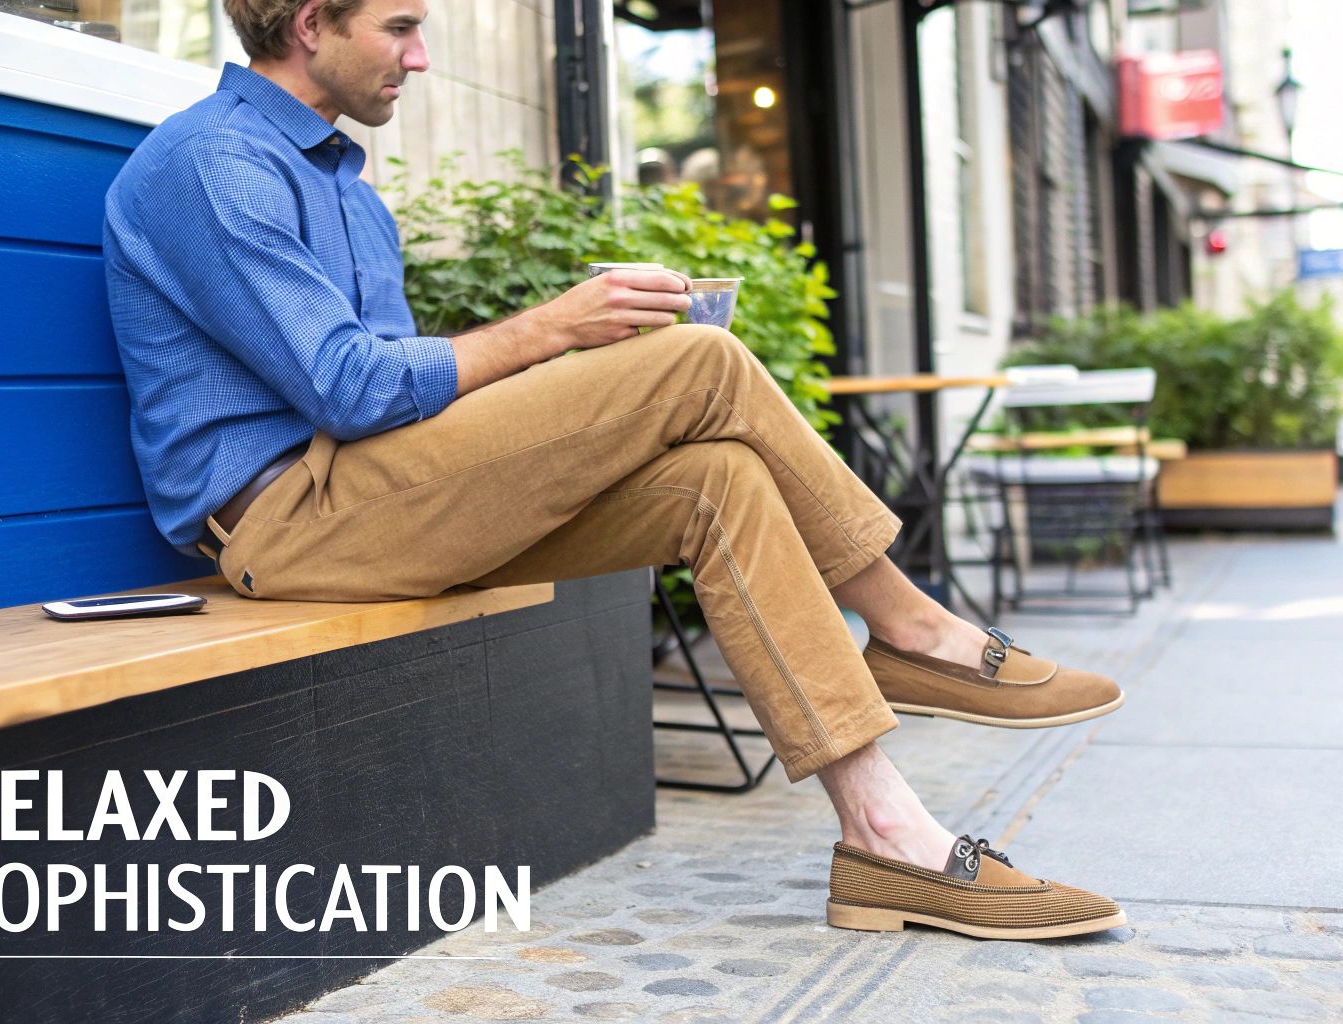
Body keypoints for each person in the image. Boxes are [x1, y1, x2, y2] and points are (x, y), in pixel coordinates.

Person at [104, 0, 1128, 941]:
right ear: (313, 23)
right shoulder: (213, 163)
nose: (420, 56)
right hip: (290, 523)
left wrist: (575, 383)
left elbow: (395, 402)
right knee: (702, 359)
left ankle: (886, 837)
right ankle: (914, 630)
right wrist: (551, 332)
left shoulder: (343, 184)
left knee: (718, 476)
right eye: (400, 27)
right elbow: (347, 387)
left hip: (379, 497)